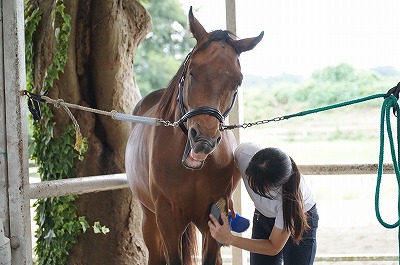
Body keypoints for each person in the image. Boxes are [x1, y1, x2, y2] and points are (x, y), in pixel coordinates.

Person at [208, 142, 319, 265]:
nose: (250, 185)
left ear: (274, 187)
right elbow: (237, 165)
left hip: (299, 220)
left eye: (258, 188)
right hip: (263, 215)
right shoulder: (245, 153)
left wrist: (230, 239)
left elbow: (273, 247)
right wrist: (228, 193)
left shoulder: (289, 200)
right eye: (249, 179)